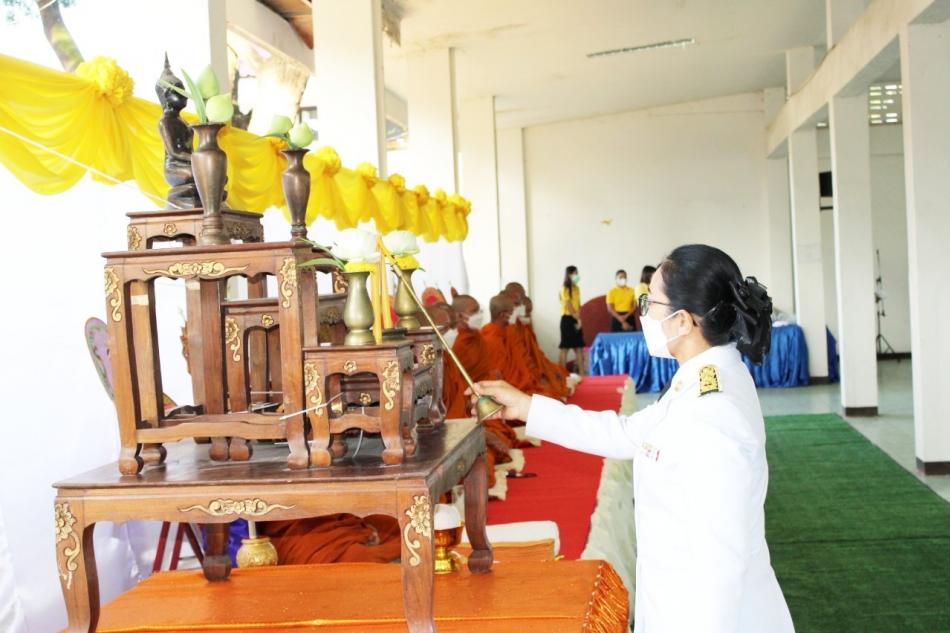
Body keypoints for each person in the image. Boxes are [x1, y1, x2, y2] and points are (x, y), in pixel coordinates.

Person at [472, 245, 793, 633]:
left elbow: (722, 562)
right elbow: (626, 434)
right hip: (674, 604)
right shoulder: (697, 379)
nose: (643, 312)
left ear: (683, 321)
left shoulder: (714, 412)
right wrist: (527, 407)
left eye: (650, 301)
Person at [558, 265, 585, 374]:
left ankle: (582, 373)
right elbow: (568, 303)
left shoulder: (577, 288)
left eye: (577, 273)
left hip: (576, 318)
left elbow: (578, 304)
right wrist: (575, 315)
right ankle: (563, 373)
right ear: (569, 275)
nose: (576, 275)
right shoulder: (564, 288)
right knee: (565, 347)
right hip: (567, 319)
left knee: (579, 347)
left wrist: (579, 318)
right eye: (574, 273)